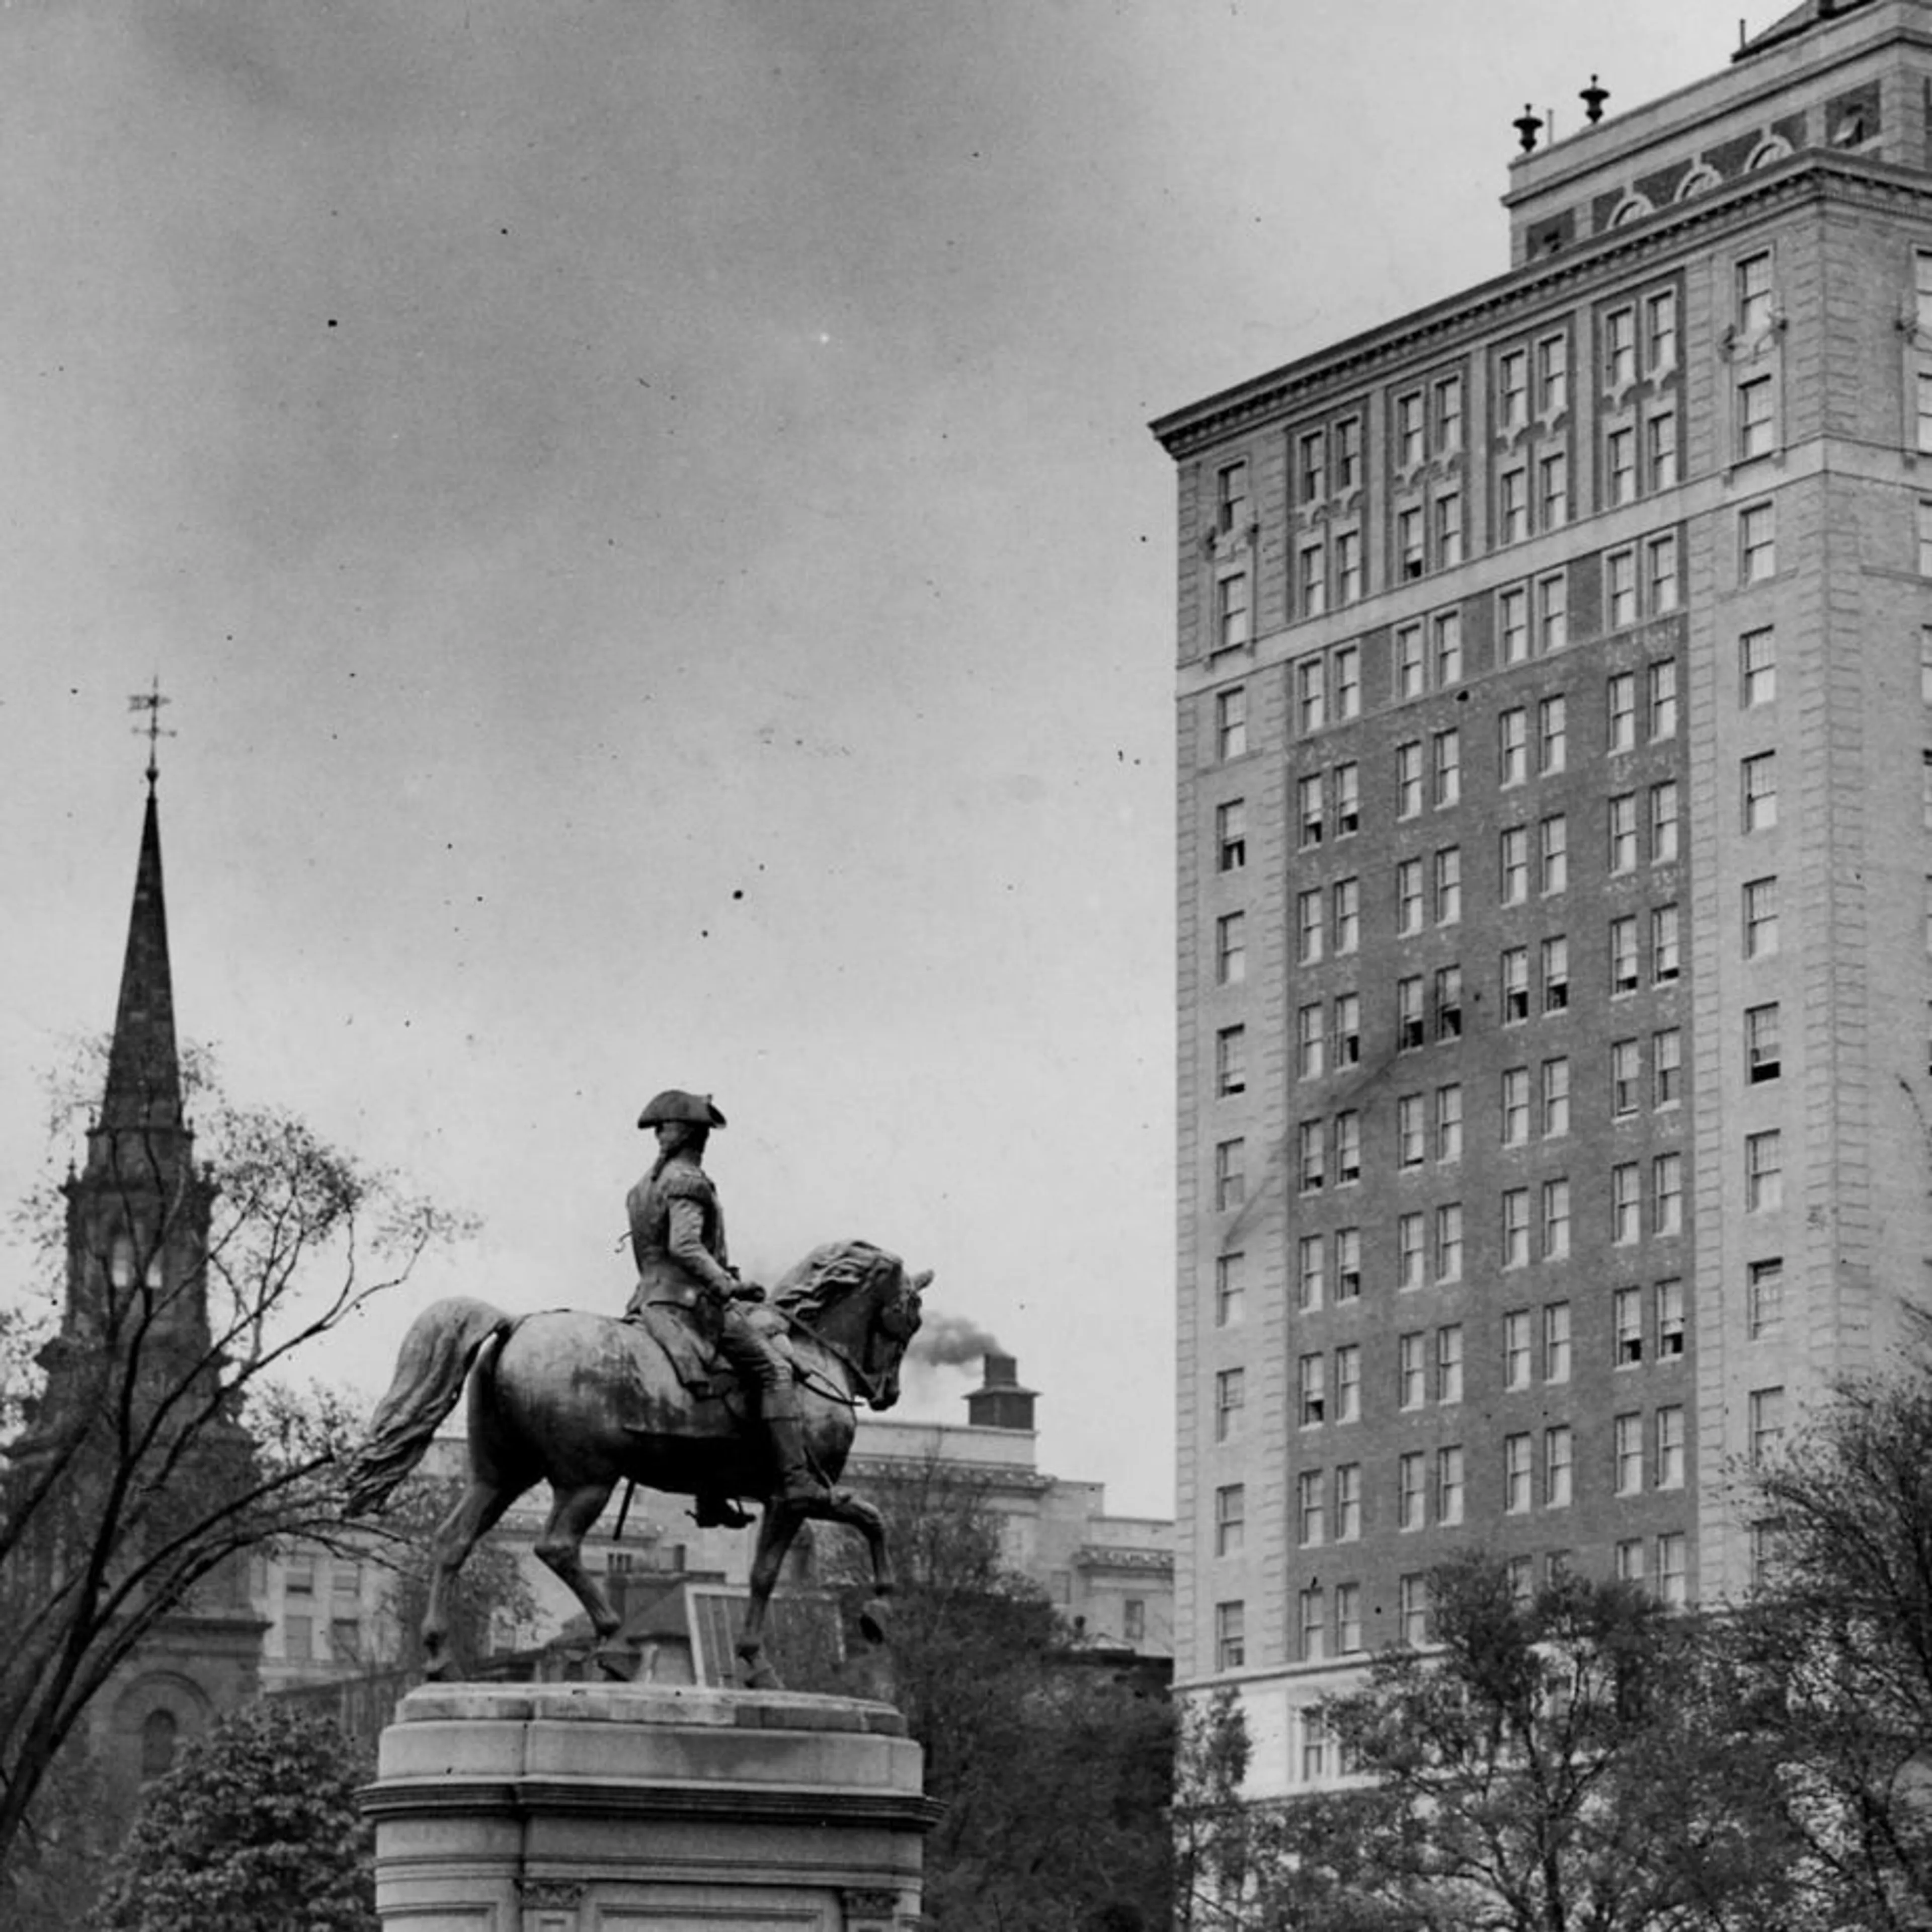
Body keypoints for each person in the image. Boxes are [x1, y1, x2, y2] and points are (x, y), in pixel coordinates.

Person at [625, 1090, 830, 1518]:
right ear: (691, 1137)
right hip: (690, 1307)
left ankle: (711, 1490)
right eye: (703, 1135)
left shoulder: (643, 1187)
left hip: (648, 1303)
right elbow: (684, 1246)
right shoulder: (688, 1181)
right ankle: (796, 1480)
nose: (705, 1144)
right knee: (773, 1371)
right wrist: (726, 1285)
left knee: (725, 1385)